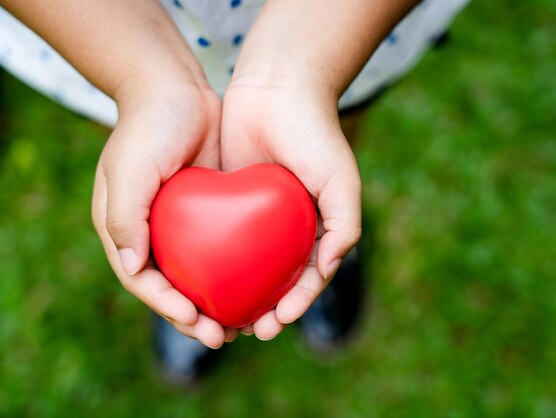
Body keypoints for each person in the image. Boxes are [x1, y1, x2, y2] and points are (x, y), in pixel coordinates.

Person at [0, 0, 468, 382]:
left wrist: (300, 66)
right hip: (97, 23)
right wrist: (143, 80)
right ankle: (188, 274)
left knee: (321, 131)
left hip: (342, 19)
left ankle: (318, 240)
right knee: (144, 144)